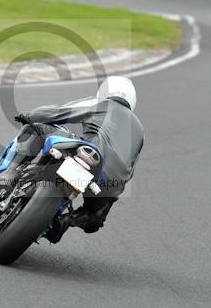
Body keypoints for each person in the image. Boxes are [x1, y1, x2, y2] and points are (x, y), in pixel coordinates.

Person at [13, 76, 145, 243]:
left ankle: (11, 174)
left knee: (37, 128)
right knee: (94, 219)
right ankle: (68, 220)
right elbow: (131, 167)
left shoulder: (100, 104)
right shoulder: (141, 130)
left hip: (89, 154)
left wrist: (29, 116)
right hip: (112, 182)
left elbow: (58, 112)